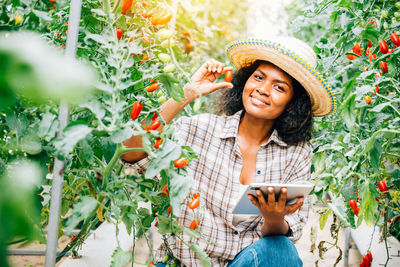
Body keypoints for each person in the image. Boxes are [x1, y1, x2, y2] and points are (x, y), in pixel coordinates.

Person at [121, 36, 336, 266]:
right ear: (245, 82)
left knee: (280, 249)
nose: (263, 90)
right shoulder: (200, 129)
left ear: (292, 103)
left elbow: (288, 233)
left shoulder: (295, 153)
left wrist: (274, 217)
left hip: (246, 262)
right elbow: (131, 153)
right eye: (259, 77)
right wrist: (186, 94)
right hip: (185, 262)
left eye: (279, 87)